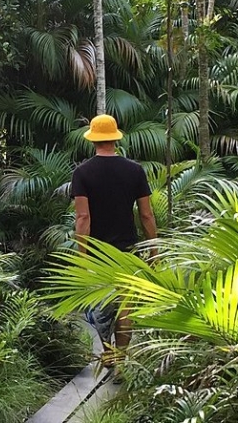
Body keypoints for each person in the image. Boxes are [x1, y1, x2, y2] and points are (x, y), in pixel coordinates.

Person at [71, 114, 157, 368]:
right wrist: (154, 249)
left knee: (101, 304)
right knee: (125, 306)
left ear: (93, 140)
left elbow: (83, 217)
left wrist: (82, 256)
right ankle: (121, 355)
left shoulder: (82, 173)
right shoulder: (135, 170)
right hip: (127, 250)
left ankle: (107, 352)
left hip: (98, 252)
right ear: (115, 138)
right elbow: (146, 214)